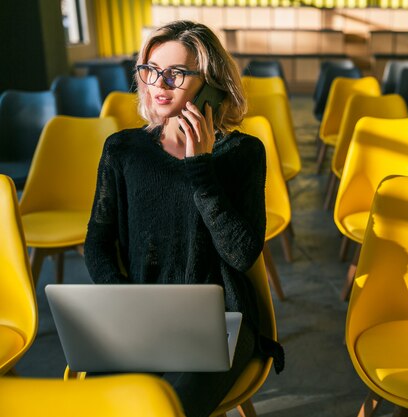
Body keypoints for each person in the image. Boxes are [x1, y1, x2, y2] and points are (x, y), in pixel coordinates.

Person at [84, 20, 283, 417]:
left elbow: (242, 254)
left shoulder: (244, 153)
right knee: (101, 404)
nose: (160, 83)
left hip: (222, 319)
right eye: (151, 70)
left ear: (209, 84)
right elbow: (97, 242)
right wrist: (125, 301)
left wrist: (201, 167)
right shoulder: (123, 150)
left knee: (171, 407)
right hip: (144, 315)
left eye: (176, 74)